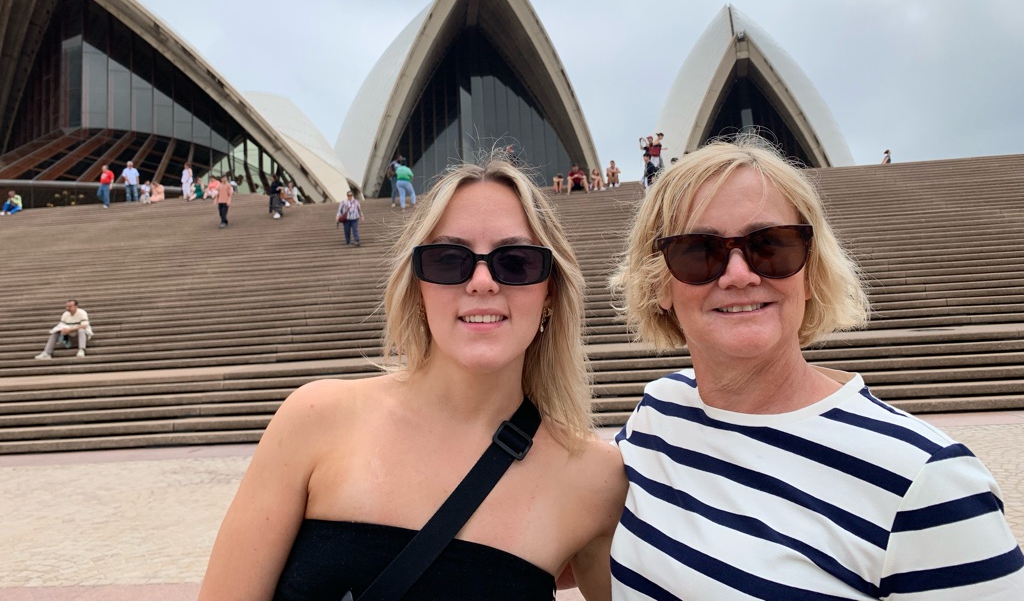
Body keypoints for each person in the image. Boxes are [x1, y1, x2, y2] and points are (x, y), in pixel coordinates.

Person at [609, 134, 1024, 599]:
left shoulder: (929, 482)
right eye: (698, 251)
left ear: (811, 272)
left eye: (771, 245)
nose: (739, 275)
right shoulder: (659, 412)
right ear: (659, 285)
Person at [198, 158, 626, 601]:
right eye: (448, 260)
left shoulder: (594, 480)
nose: (482, 282)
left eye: (516, 262)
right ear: (418, 286)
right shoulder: (315, 420)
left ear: (550, 291)